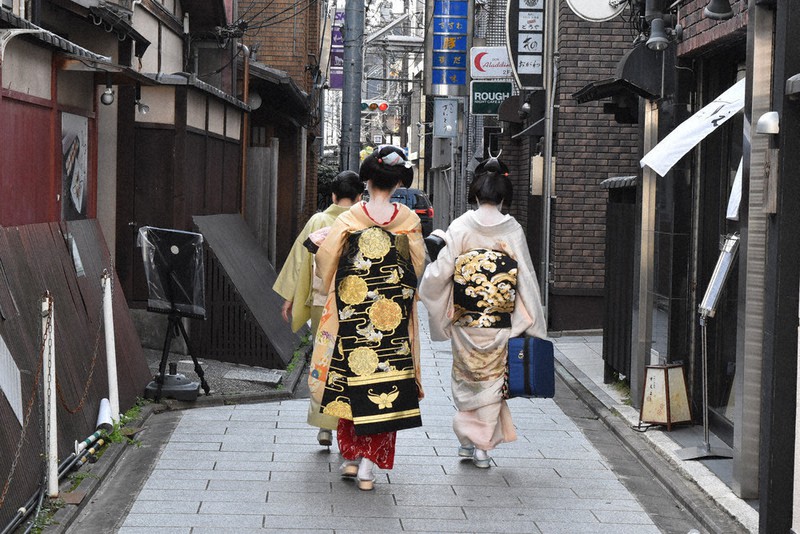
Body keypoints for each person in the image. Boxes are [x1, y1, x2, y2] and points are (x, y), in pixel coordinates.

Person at [308, 145, 426, 490]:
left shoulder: (349, 219)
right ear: (397, 182)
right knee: (385, 383)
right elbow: (417, 266)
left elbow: (326, 262)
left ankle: (350, 457)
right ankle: (368, 468)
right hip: (390, 319)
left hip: (351, 316)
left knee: (348, 380)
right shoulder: (408, 220)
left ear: (367, 179)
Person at [418, 155, 547, 468]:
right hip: (501, 317)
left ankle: (467, 440)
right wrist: (535, 321)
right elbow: (526, 277)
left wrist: (427, 285)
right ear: (503, 198)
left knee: (467, 377)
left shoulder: (461, 226)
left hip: (466, 317)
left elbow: (442, 271)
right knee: (492, 381)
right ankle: (481, 449)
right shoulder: (512, 228)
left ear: (475, 195)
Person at [272, 170, 364, 447]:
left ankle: (324, 427)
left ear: (333, 196)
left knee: (322, 361)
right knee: (350, 363)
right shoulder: (363, 222)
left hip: (321, 302)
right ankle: (349, 422)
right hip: (353, 304)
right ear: (360, 196)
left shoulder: (319, 220)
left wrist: (290, 297)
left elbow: (300, 260)